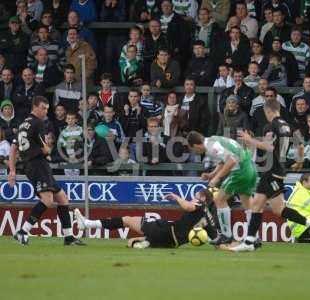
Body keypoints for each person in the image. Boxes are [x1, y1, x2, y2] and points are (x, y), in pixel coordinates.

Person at [230, 100, 310, 252]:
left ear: (268, 111)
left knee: (256, 205)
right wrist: (299, 161)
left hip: (271, 171)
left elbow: (268, 146)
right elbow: (300, 145)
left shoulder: (271, 126)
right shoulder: (288, 126)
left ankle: (249, 241)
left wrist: (250, 140)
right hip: (279, 172)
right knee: (278, 209)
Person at [8, 96, 84, 246]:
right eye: (43, 108)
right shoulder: (38, 123)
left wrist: (12, 170)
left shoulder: (23, 124)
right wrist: (48, 149)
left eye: (47, 109)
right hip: (37, 164)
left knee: (62, 198)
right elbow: (45, 148)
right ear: (35, 107)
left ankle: (68, 237)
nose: (45, 111)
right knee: (48, 200)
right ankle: (22, 232)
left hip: (31, 164)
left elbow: (13, 148)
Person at [74, 188, 217, 248]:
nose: (193, 198)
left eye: (196, 195)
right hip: (172, 243)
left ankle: (86, 224)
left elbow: (187, 207)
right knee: (130, 242)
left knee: (126, 220)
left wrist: (176, 197)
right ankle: (146, 243)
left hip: (167, 231)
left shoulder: (200, 204)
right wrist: (232, 248)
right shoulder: (210, 219)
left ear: (203, 198)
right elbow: (217, 240)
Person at [187, 131, 258, 245]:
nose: (196, 152)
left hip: (240, 171)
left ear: (195, 145)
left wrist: (217, 178)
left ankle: (226, 235)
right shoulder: (213, 139)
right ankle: (253, 237)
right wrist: (212, 175)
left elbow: (231, 160)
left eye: (194, 149)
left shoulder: (211, 146)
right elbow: (224, 160)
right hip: (250, 167)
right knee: (247, 202)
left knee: (219, 199)